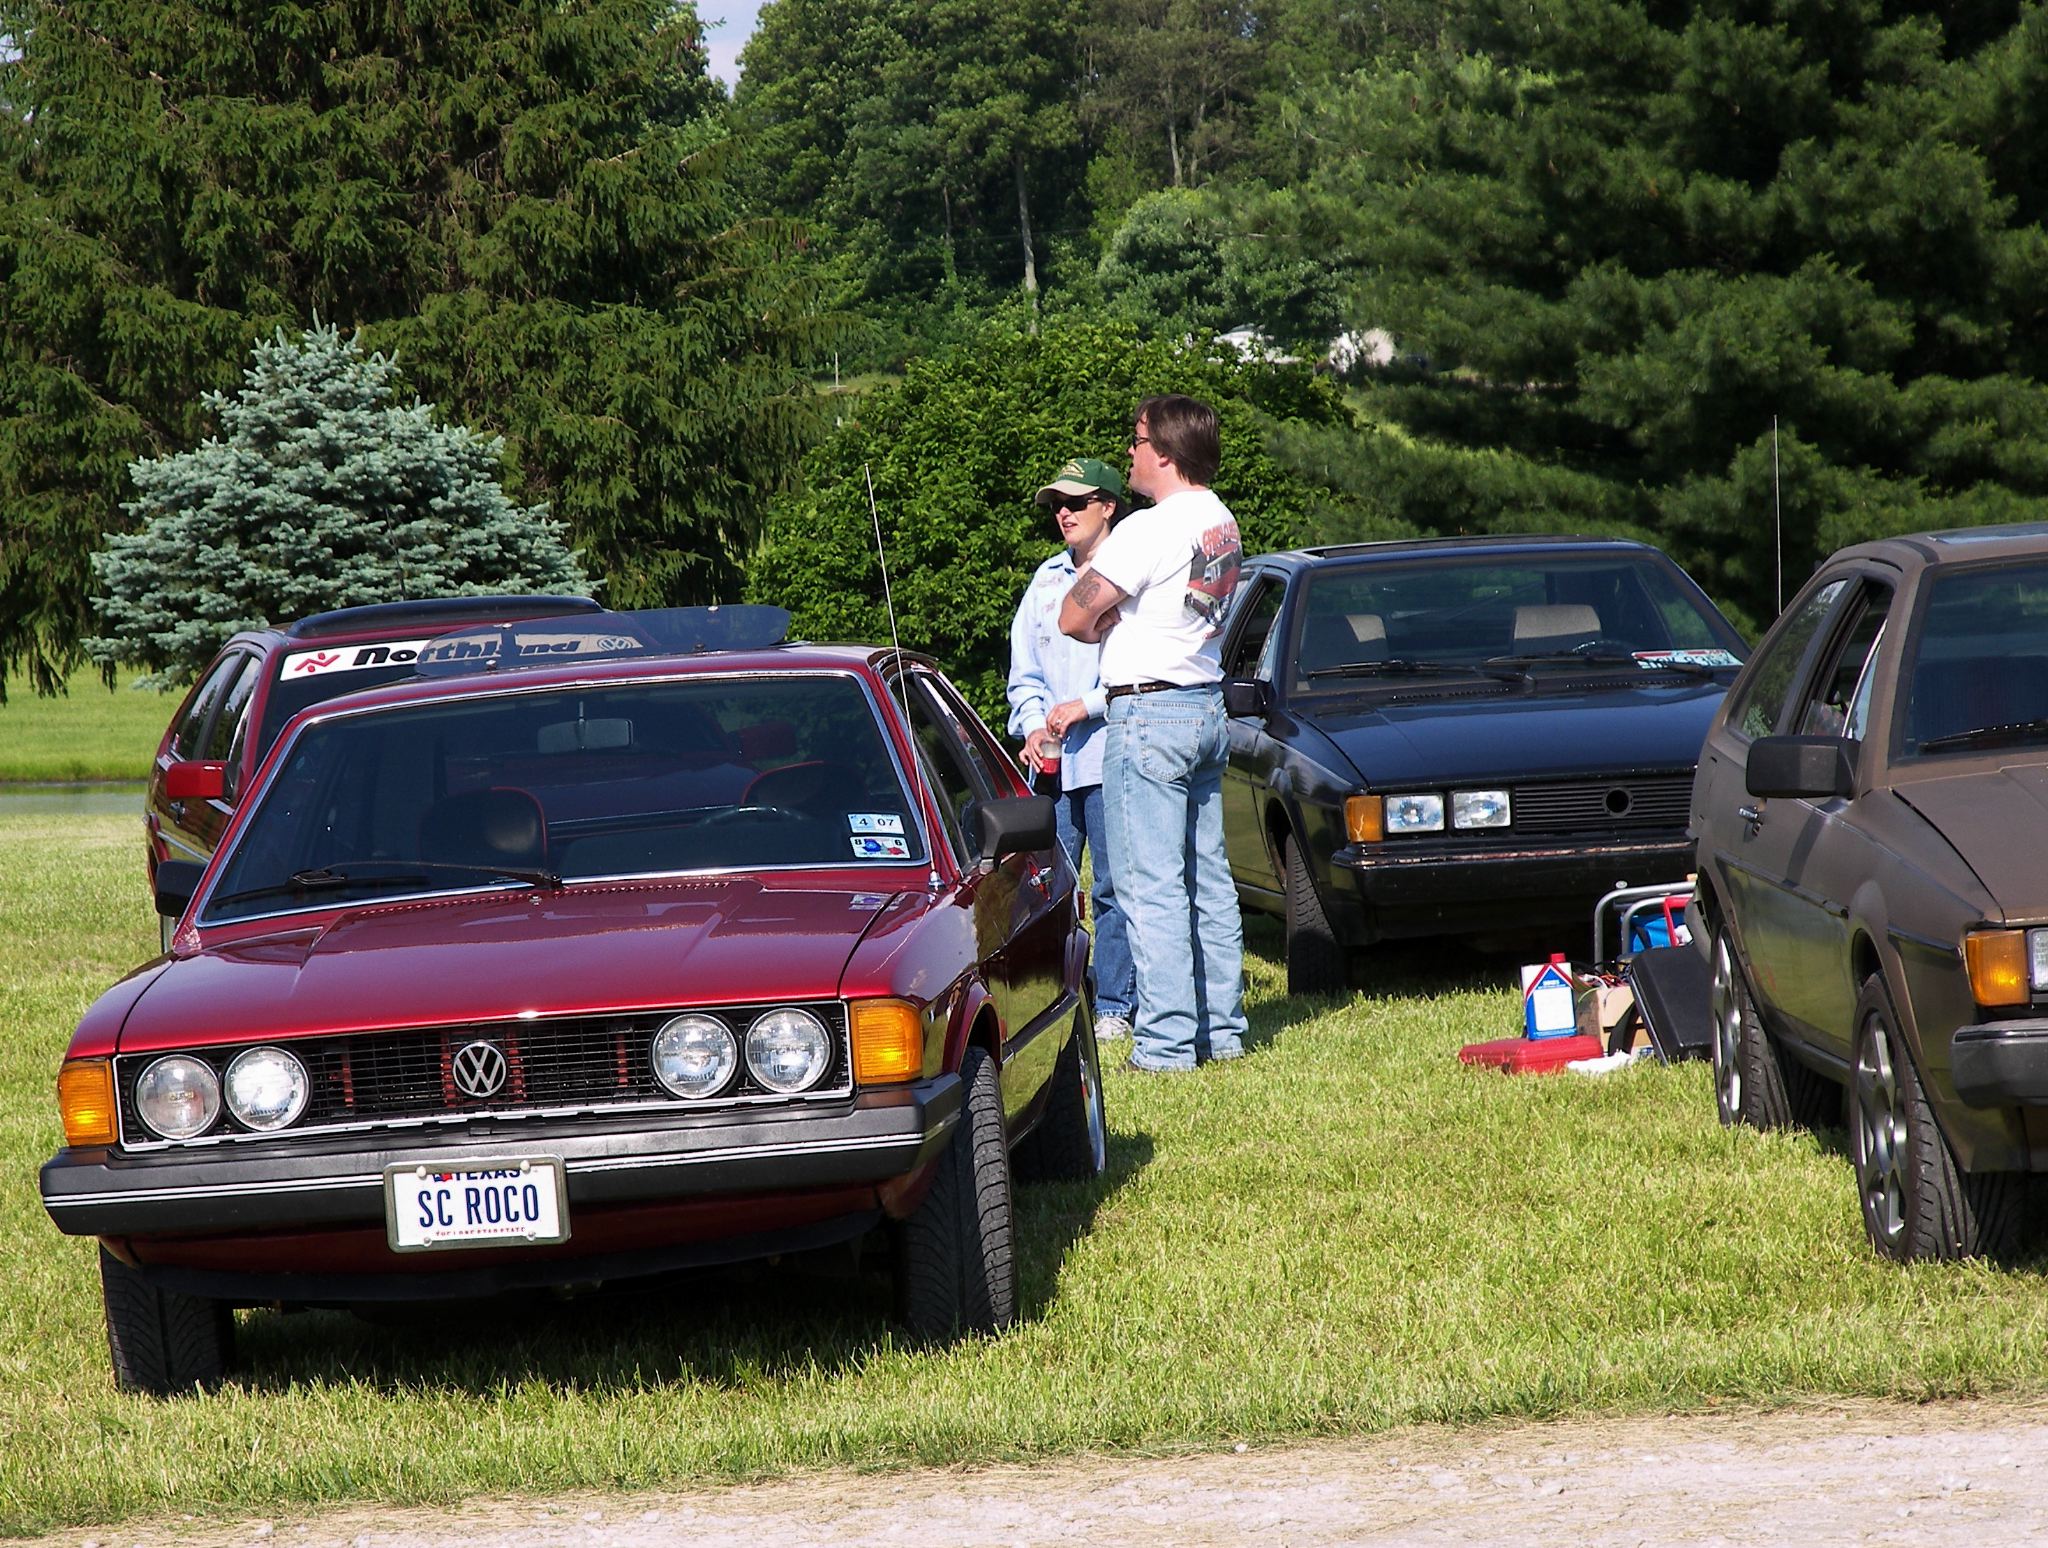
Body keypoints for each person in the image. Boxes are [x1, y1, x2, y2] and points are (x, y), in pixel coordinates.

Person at [1057, 395, 1246, 1073]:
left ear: (1164, 451)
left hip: (1148, 713)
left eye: (1136, 441)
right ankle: (1222, 1033)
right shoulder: (1220, 521)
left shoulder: (1148, 527)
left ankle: (1166, 1044)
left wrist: (1114, 620)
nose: (1130, 452)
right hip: (1203, 705)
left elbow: (1073, 618)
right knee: (1208, 882)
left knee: (1150, 886)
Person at [1007, 456, 1137, 1044]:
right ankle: (1058, 1001)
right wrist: (1034, 725)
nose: (1063, 512)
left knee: (1112, 887)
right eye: (1056, 504)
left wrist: (1082, 706)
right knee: (1046, 890)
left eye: (1076, 502)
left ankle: (1113, 1003)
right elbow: (1024, 675)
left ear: (1108, 506)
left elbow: (1142, 677)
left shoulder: (1131, 574)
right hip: (1053, 765)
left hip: (1112, 754)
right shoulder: (1045, 581)